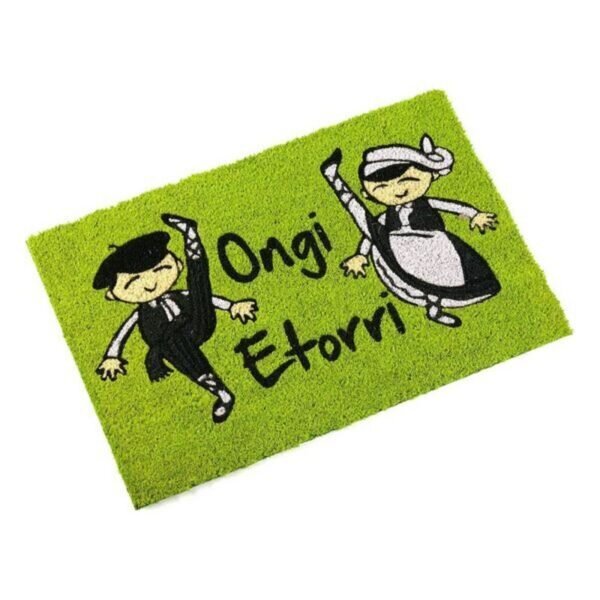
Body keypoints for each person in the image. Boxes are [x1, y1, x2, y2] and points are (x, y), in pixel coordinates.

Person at [320, 135, 500, 327]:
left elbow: (451, 206)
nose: (398, 190)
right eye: (382, 187)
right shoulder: (385, 218)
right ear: (367, 193)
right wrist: (361, 255)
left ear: (430, 174)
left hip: (437, 247)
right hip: (399, 249)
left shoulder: (426, 204)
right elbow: (370, 234)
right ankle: (334, 179)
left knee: (446, 279)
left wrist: (474, 214)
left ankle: (434, 309)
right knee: (364, 220)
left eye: (408, 180)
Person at [93, 213, 258, 423]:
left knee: (198, 286)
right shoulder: (140, 314)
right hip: (171, 345)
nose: (150, 284)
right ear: (112, 295)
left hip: (198, 324)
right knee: (173, 345)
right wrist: (112, 355)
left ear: (178, 265)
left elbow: (205, 299)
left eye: (161, 270)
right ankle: (223, 394)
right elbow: (123, 332)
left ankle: (190, 235)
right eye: (133, 283)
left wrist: (232, 306)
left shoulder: (178, 296)